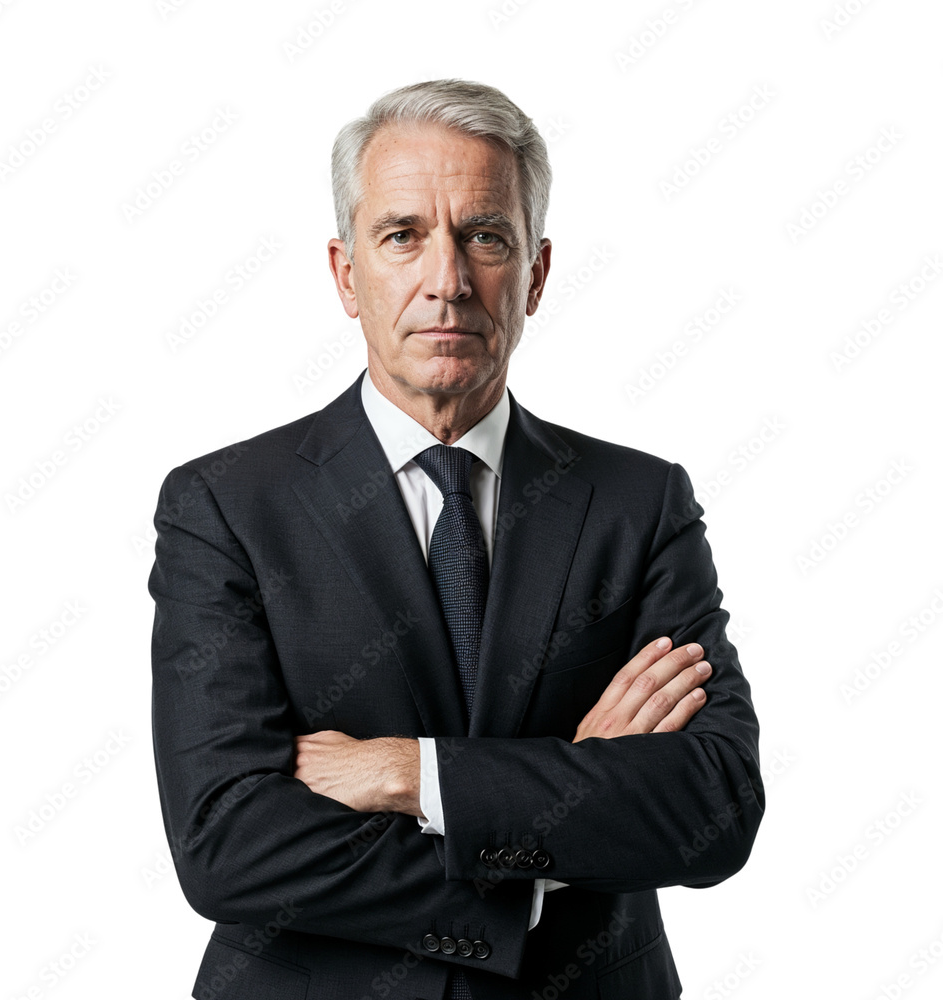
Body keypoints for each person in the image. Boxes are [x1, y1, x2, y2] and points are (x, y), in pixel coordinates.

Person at [149, 78, 763, 1000]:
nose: (447, 281)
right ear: (346, 274)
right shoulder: (227, 507)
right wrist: (563, 812)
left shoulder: (638, 503)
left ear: (536, 274)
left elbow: (714, 804)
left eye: (485, 236)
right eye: (402, 236)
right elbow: (227, 844)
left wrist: (411, 773)